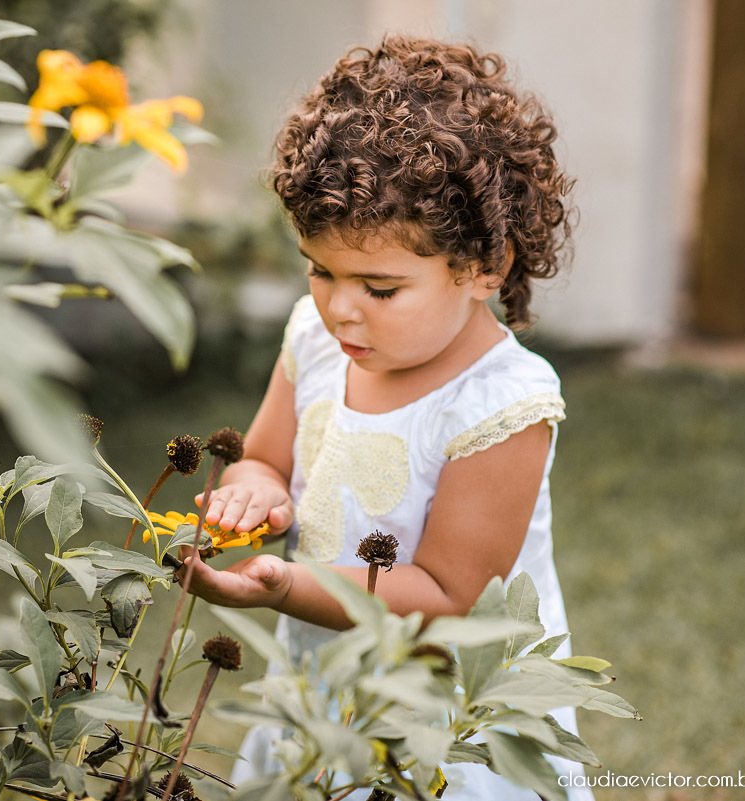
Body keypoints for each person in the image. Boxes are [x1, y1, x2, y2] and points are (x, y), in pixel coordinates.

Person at [177, 36, 593, 800]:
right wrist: (254, 492)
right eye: (319, 268)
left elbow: (445, 599)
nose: (340, 307)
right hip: (326, 688)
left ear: (484, 268)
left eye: (380, 286)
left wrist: (285, 586)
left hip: (444, 722)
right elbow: (267, 455)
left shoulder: (499, 403)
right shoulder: (316, 338)